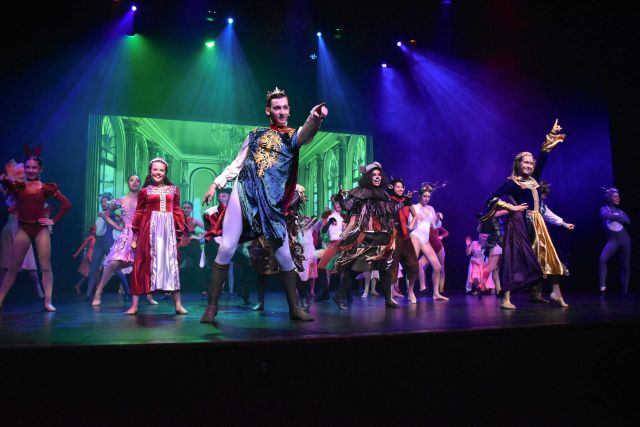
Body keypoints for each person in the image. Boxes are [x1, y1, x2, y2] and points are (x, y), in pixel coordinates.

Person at [200, 87, 327, 323]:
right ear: (268, 110)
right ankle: (212, 306)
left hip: (271, 202)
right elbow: (237, 163)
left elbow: (307, 133)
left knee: (284, 256)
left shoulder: (293, 136)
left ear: (289, 110)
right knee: (226, 248)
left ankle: (294, 308)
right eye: (277, 108)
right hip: (244, 192)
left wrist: (315, 117)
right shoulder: (255, 134)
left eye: (285, 108)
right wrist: (216, 184)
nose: (282, 112)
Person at [483, 119, 569, 309]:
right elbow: (490, 198)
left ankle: (556, 293)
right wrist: (511, 207)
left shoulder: (535, 179)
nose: (529, 165)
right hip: (521, 223)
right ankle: (506, 298)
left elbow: (544, 155)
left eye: (531, 163)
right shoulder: (512, 183)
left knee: (550, 256)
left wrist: (551, 135)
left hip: (538, 224)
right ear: (518, 164)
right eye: (526, 162)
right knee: (514, 259)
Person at [0, 150, 72, 311]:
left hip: (40, 229)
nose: (30, 170)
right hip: (23, 228)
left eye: (34, 167)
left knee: (45, 267)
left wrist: (53, 220)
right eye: (28, 167)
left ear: (40, 170)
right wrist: (5, 179)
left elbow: (67, 204)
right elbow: (5, 189)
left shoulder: (46, 188)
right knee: (13, 267)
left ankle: (48, 301)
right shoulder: (17, 186)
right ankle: (0, 299)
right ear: (24, 168)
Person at [333, 162, 409, 310]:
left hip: (381, 236)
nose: (377, 177)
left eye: (379, 174)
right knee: (356, 267)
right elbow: (347, 206)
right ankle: (340, 294)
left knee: (384, 267)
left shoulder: (383, 194)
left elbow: (390, 209)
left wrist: (404, 203)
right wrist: (340, 198)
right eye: (374, 175)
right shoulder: (359, 192)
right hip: (365, 236)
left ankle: (388, 299)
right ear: (368, 177)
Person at [127, 159, 188, 315]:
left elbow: (177, 210)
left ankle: (178, 304)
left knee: (171, 264)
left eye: (161, 170)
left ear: (165, 172)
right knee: (141, 263)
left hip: (168, 231)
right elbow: (139, 212)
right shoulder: (144, 191)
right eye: (155, 169)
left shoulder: (174, 190)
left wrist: (181, 229)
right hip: (149, 230)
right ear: (150, 171)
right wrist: (134, 236)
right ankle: (134, 305)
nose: (158, 173)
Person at [91, 175, 157, 307]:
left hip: (141, 235)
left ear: (140, 184)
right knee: (113, 263)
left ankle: (149, 297)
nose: (134, 182)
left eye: (137, 181)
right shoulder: (121, 200)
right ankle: (98, 292)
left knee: (146, 266)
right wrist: (117, 227)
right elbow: (105, 215)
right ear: (128, 183)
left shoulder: (145, 200)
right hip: (126, 236)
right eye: (132, 180)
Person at [0, 186, 44, 299]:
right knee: (4, 264)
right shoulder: (10, 197)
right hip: (9, 229)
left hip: (21, 229)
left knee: (30, 263)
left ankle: (38, 287)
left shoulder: (25, 197)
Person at [410, 183, 449, 301]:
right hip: (416, 236)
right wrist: (415, 218)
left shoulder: (431, 208)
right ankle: (410, 292)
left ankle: (436, 293)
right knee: (413, 265)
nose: (427, 198)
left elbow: (435, 225)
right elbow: (410, 224)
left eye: (428, 196)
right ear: (420, 196)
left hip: (425, 239)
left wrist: (437, 217)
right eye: (425, 196)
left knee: (437, 267)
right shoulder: (414, 207)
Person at [386, 177, 419, 303]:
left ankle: (410, 292)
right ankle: (390, 295)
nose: (400, 189)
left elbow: (415, 215)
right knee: (393, 265)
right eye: (397, 187)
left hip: (405, 235)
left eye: (402, 187)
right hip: (394, 235)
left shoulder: (407, 200)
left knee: (413, 264)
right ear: (393, 188)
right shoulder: (390, 200)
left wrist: (411, 225)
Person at [598, 187, 631, 297]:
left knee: (625, 264)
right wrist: (618, 217)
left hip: (625, 240)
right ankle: (602, 288)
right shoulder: (604, 209)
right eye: (615, 197)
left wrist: (616, 216)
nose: (618, 198)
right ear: (609, 198)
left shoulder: (621, 211)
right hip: (613, 241)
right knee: (602, 259)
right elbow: (606, 215)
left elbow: (628, 221)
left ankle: (624, 291)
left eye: (618, 197)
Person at [72, 225, 96, 294]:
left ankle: (77, 286)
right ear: (91, 231)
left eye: (96, 230)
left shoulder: (97, 238)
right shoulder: (91, 237)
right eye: (94, 230)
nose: (95, 231)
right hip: (89, 257)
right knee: (96, 271)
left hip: (94, 257)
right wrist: (76, 254)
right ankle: (97, 287)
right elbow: (83, 246)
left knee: (87, 274)